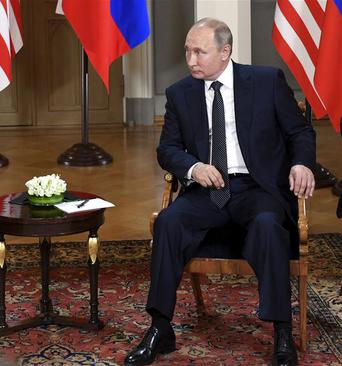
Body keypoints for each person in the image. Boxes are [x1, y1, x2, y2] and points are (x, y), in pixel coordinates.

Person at [124, 18, 315, 366]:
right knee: (168, 222)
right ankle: (159, 327)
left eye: (200, 51)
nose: (191, 59)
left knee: (269, 227)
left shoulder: (265, 82)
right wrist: (195, 168)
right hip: (208, 190)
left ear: (225, 52)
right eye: (187, 51)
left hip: (256, 188)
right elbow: (167, 150)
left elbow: (299, 133)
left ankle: (282, 330)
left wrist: (301, 164)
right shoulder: (180, 93)